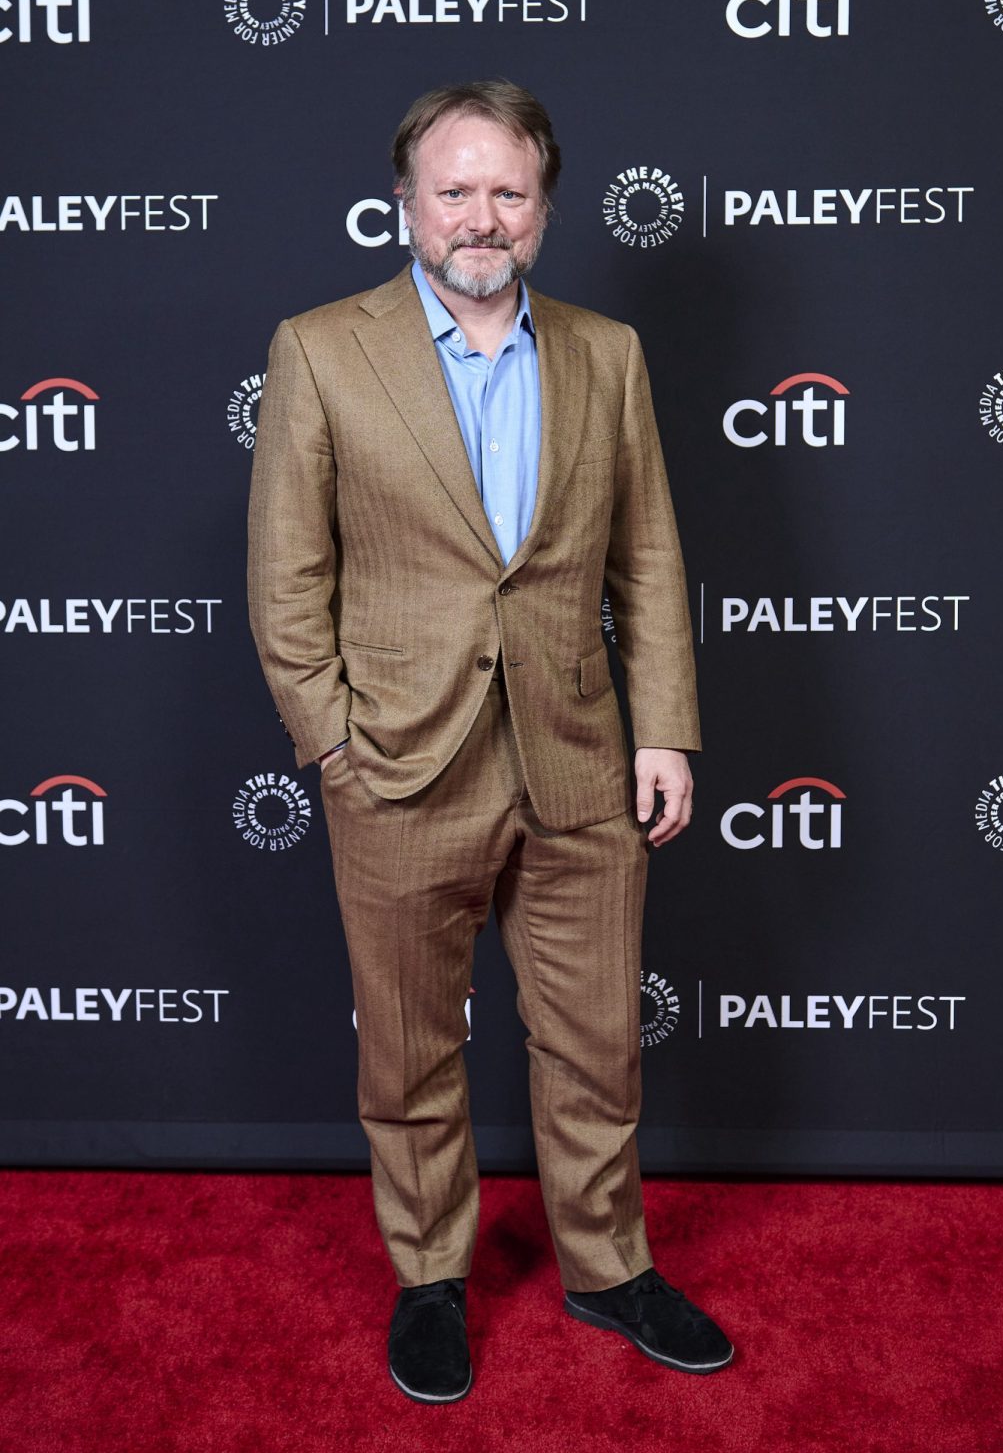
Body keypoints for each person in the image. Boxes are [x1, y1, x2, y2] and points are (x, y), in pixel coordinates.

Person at [247, 79, 733, 1402]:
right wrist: (335, 747)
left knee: (594, 1044)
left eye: (507, 191)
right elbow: (287, 581)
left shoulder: (606, 352)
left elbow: (648, 555)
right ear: (406, 203)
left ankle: (607, 1266)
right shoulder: (322, 349)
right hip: (399, 765)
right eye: (454, 189)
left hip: (579, 753)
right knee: (408, 1050)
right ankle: (430, 1277)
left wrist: (667, 733)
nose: (481, 215)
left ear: (544, 206)